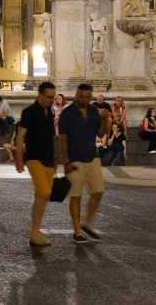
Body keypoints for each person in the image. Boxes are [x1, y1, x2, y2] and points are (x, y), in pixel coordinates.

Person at [59, 83, 111, 244]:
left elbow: (100, 133)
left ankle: (87, 224)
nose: (84, 99)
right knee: (76, 195)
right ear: (76, 95)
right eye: (81, 96)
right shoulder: (67, 113)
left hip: (92, 157)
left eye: (88, 97)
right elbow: (63, 139)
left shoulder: (93, 110)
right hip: (74, 159)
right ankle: (77, 231)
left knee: (98, 191)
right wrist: (66, 161)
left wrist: (105, 120)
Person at [15, 81, 58, 247]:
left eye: (53, 97)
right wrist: (19, 158)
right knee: (45, 192)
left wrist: (54, 158)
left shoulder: (50, 111)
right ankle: (34, 231)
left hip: (47, 159)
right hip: (33, 158)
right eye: (49, 97)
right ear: (40, 95)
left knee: (42, 196)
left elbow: (49, 137)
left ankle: (35, 230)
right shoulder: (29, 112)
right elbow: (20, 137)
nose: (52, 100)